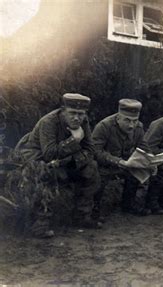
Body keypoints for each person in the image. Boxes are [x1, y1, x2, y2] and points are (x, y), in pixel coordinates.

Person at [14, 93, 101, 237]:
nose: (77, 118)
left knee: (91, 168)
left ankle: (82, 216)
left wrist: (73, 160)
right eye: (72, 113)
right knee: (45, 172)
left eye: (81, 114)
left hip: (64, 159)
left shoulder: (83, 122)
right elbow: (49, 153)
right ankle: (40, 224)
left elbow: (90, 149)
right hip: (36, 157)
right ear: (63, 110)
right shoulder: (49, 122)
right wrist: (74, 139)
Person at [92, 99, 155, 217]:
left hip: (126, 163)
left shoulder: (138, 127)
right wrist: (119, 162)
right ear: (118, 118)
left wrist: (151, 160)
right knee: (98, 177)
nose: (131, 125)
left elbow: (143, 146)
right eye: (127, 120)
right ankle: (94, 209)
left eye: (135, 121)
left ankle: (128, 205)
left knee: (137, 171)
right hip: (104, 164)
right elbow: (95, 152)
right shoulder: (104, 126)